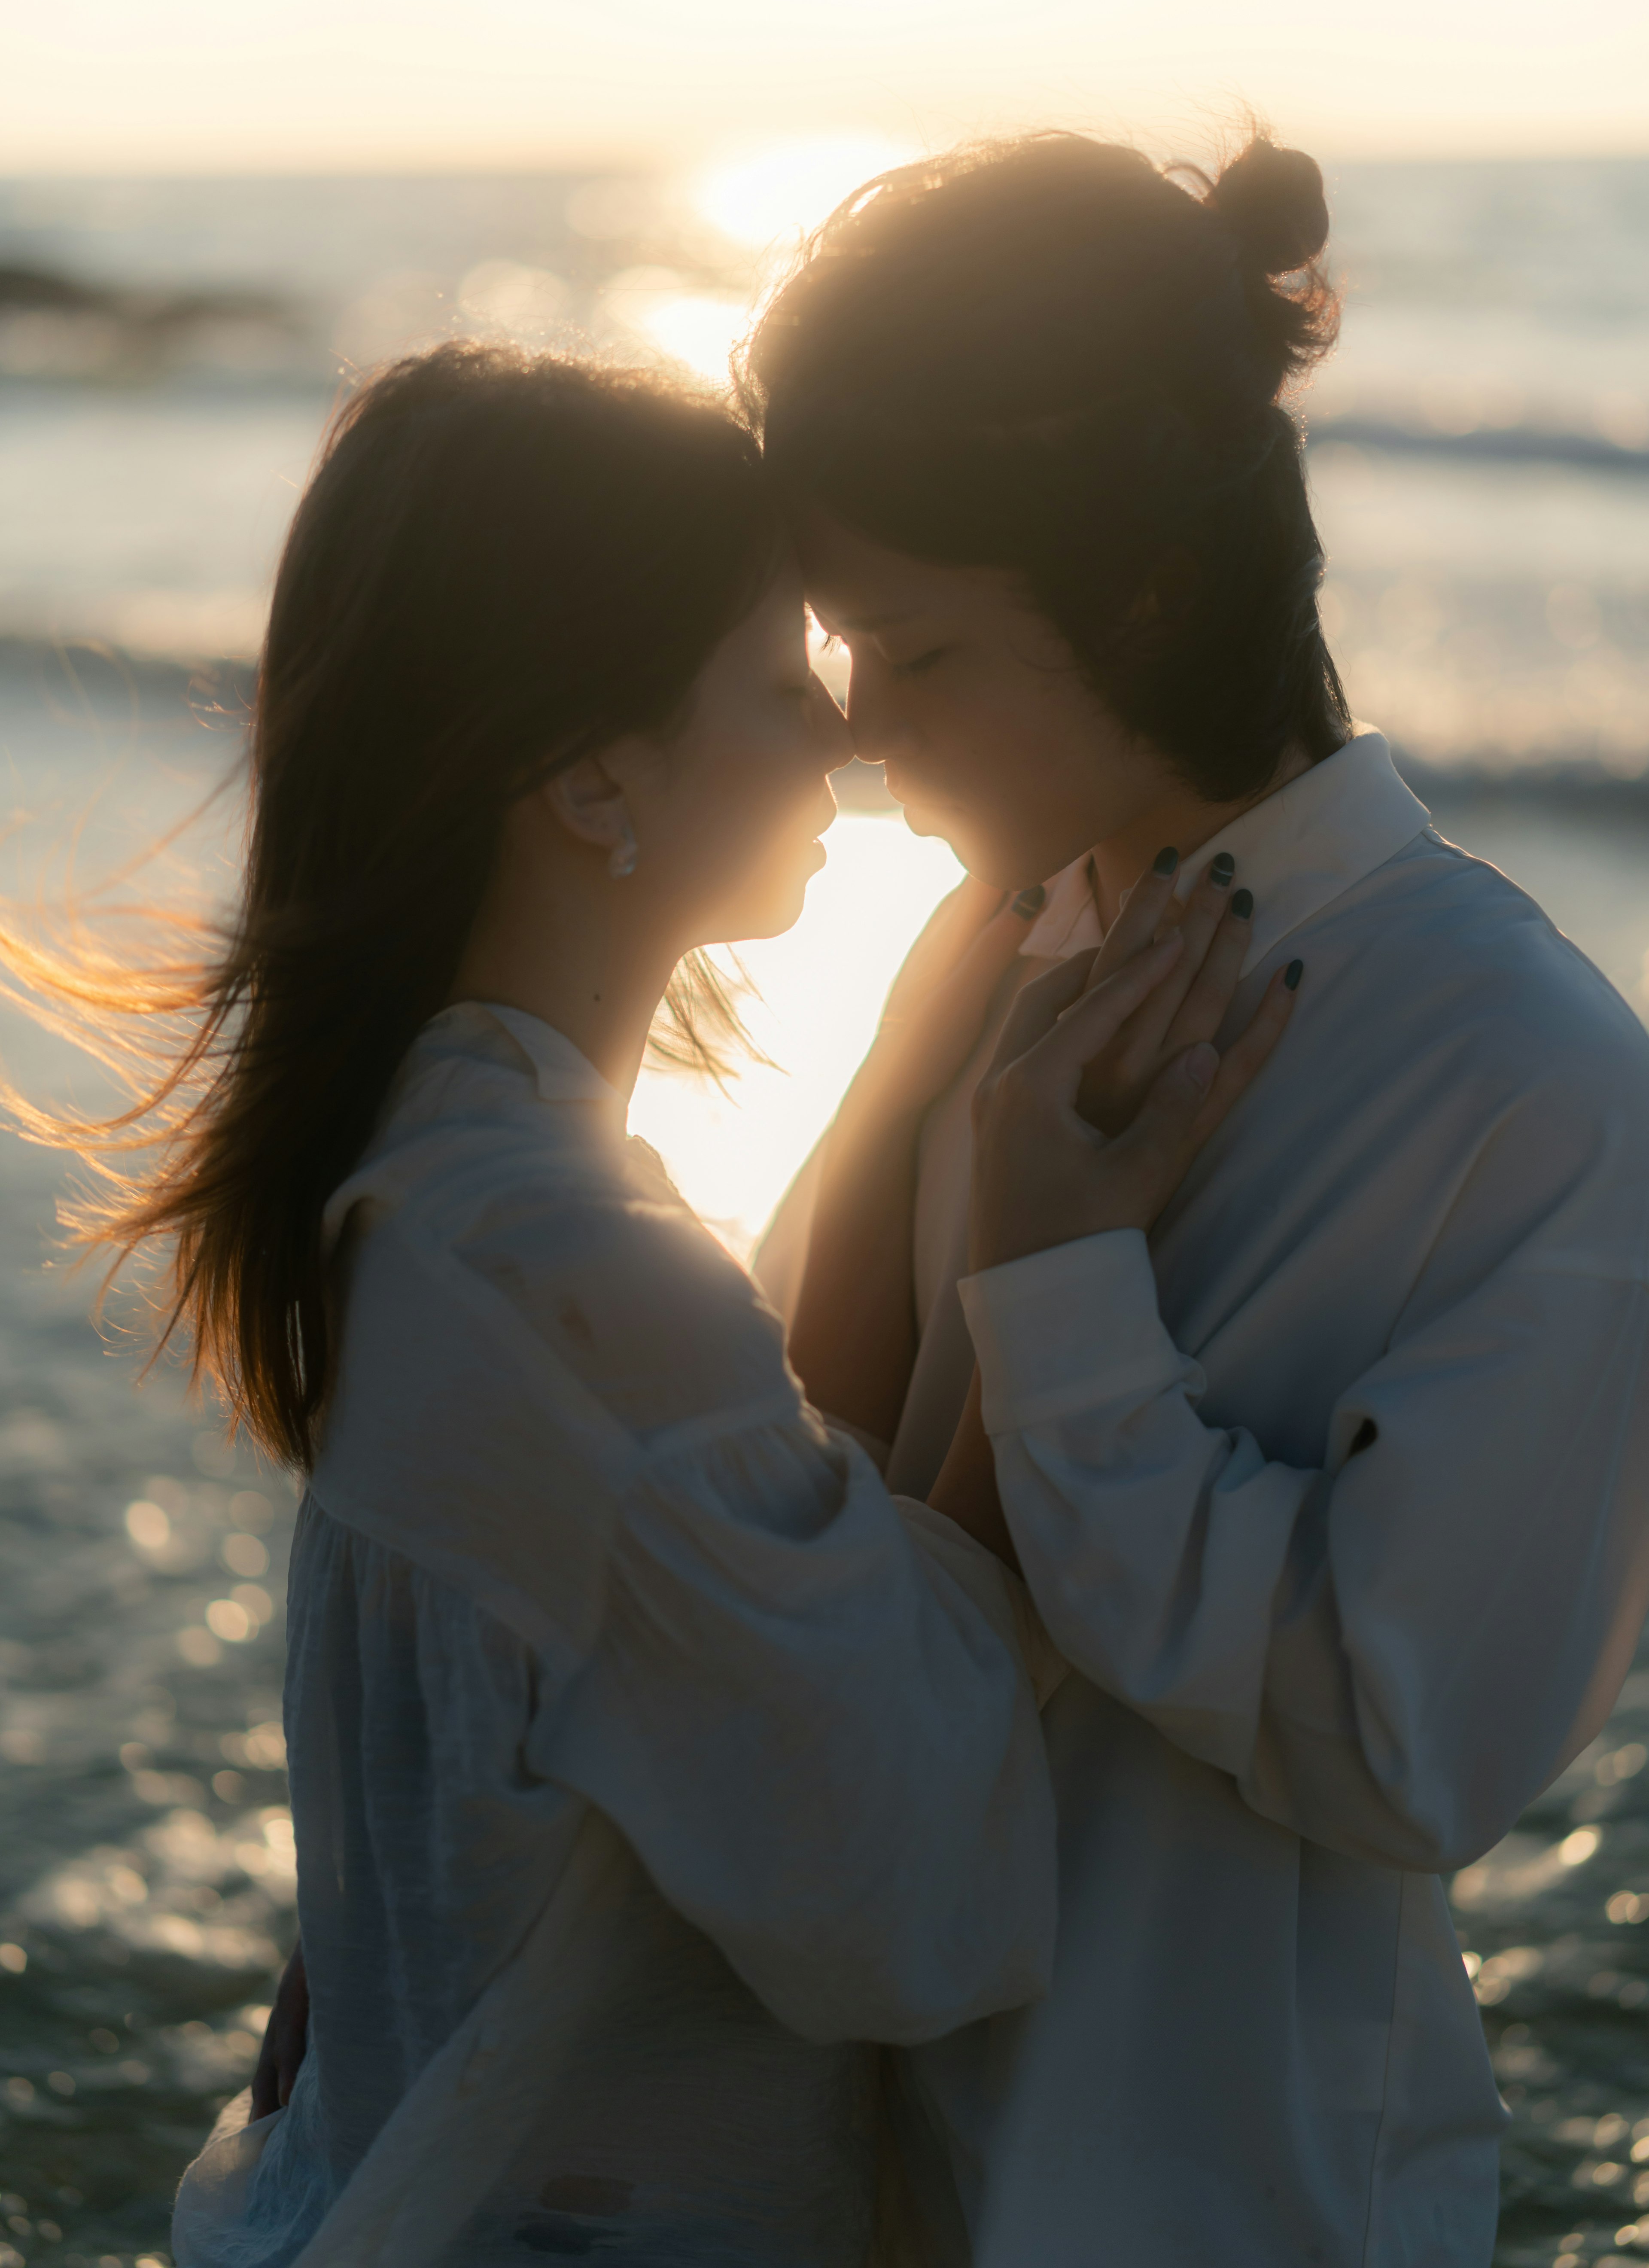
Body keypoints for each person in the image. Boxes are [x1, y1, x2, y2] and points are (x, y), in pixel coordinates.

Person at [0, 343, 1287, 2268]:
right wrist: (1044, 1279)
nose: (847, 739)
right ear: (591, 779)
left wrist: (891, 1126)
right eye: (782, 683)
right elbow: (916, 1887)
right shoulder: (557, 1266)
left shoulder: (435, 1175)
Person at [745, 130, 1649, 2266]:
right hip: (828, 2164)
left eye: (918, 651)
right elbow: (788, 1525)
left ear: (1142, 593)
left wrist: (1059, 1299)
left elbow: (1409, 1738)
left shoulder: (1528, 1079)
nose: (863, 733)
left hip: (1195, 2196)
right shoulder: (987, 953)